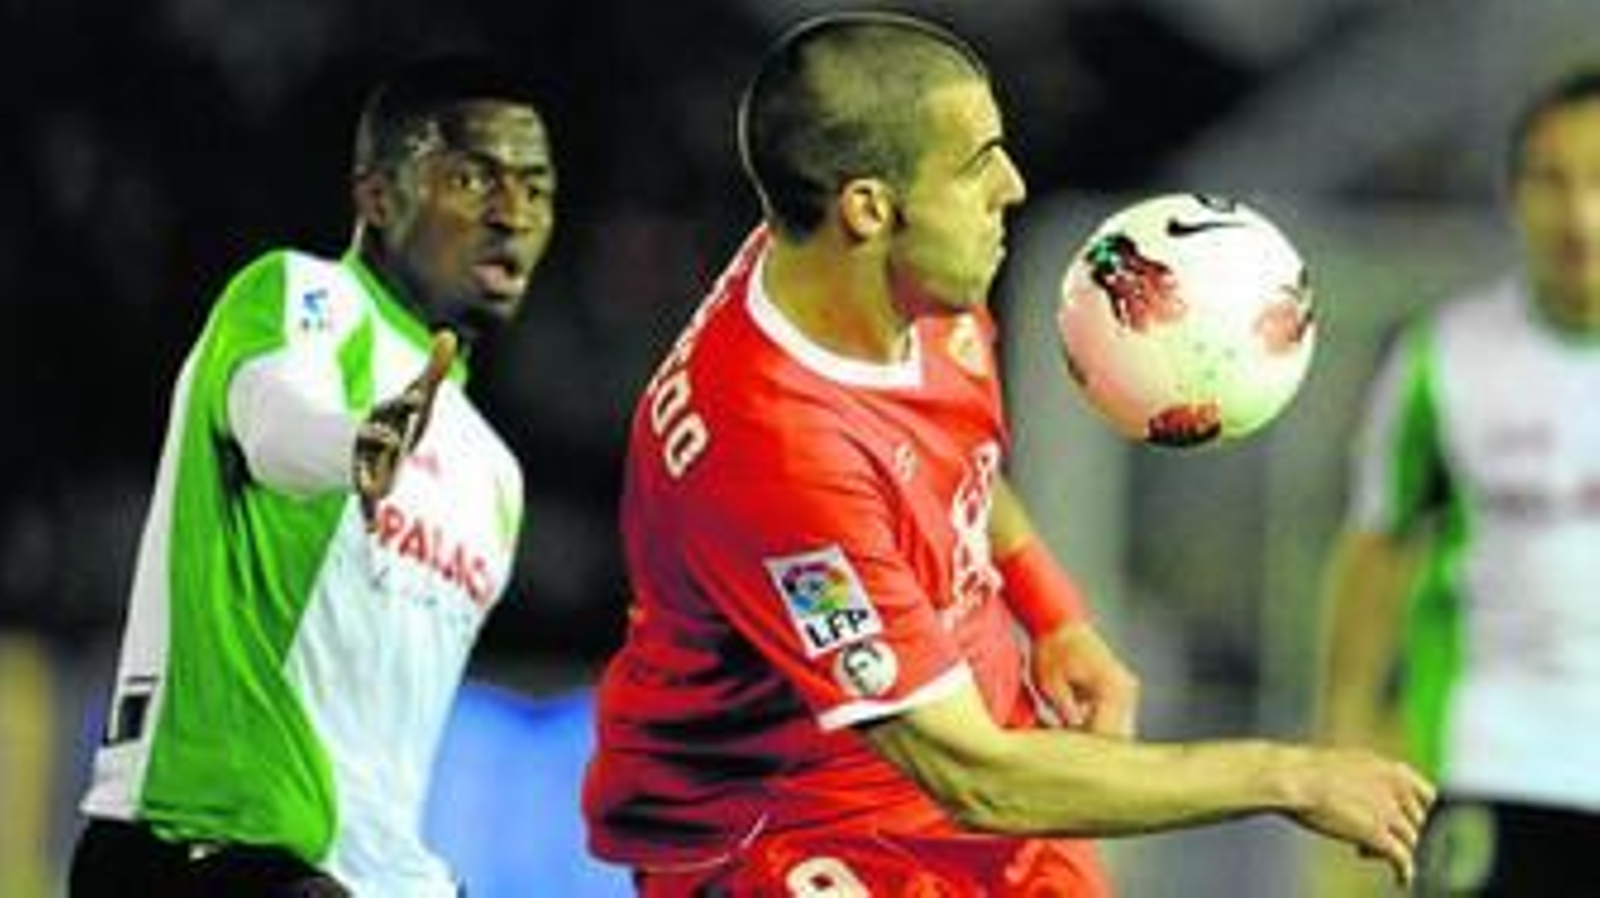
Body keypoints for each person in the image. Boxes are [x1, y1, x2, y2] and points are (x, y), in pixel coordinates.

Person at [583, 11, 1433, 896]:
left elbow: (956, 466)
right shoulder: (775, 452)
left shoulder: (898, 285)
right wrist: (1289, 776)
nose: (1015, 187)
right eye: (977, 162)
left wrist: (1054, 613)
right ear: (869, 206)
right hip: (790, 825)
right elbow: (975, 779)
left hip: (973, 750)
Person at [67, 52, 556, 897]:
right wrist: (353, 443)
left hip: (378, 877)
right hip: (209, 849)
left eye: (537, 188)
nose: (513, 213)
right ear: (377, 196)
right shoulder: (302, 298)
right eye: (474, 180)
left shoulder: (495, 476)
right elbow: (274, 419)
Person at [1318, 67, 1600, 896]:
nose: (1580, 214)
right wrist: (1343, 744)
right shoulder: (1443, 359)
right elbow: (1376, 550)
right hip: (1491, 764)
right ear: (1514, 194)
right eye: (1553, 180)